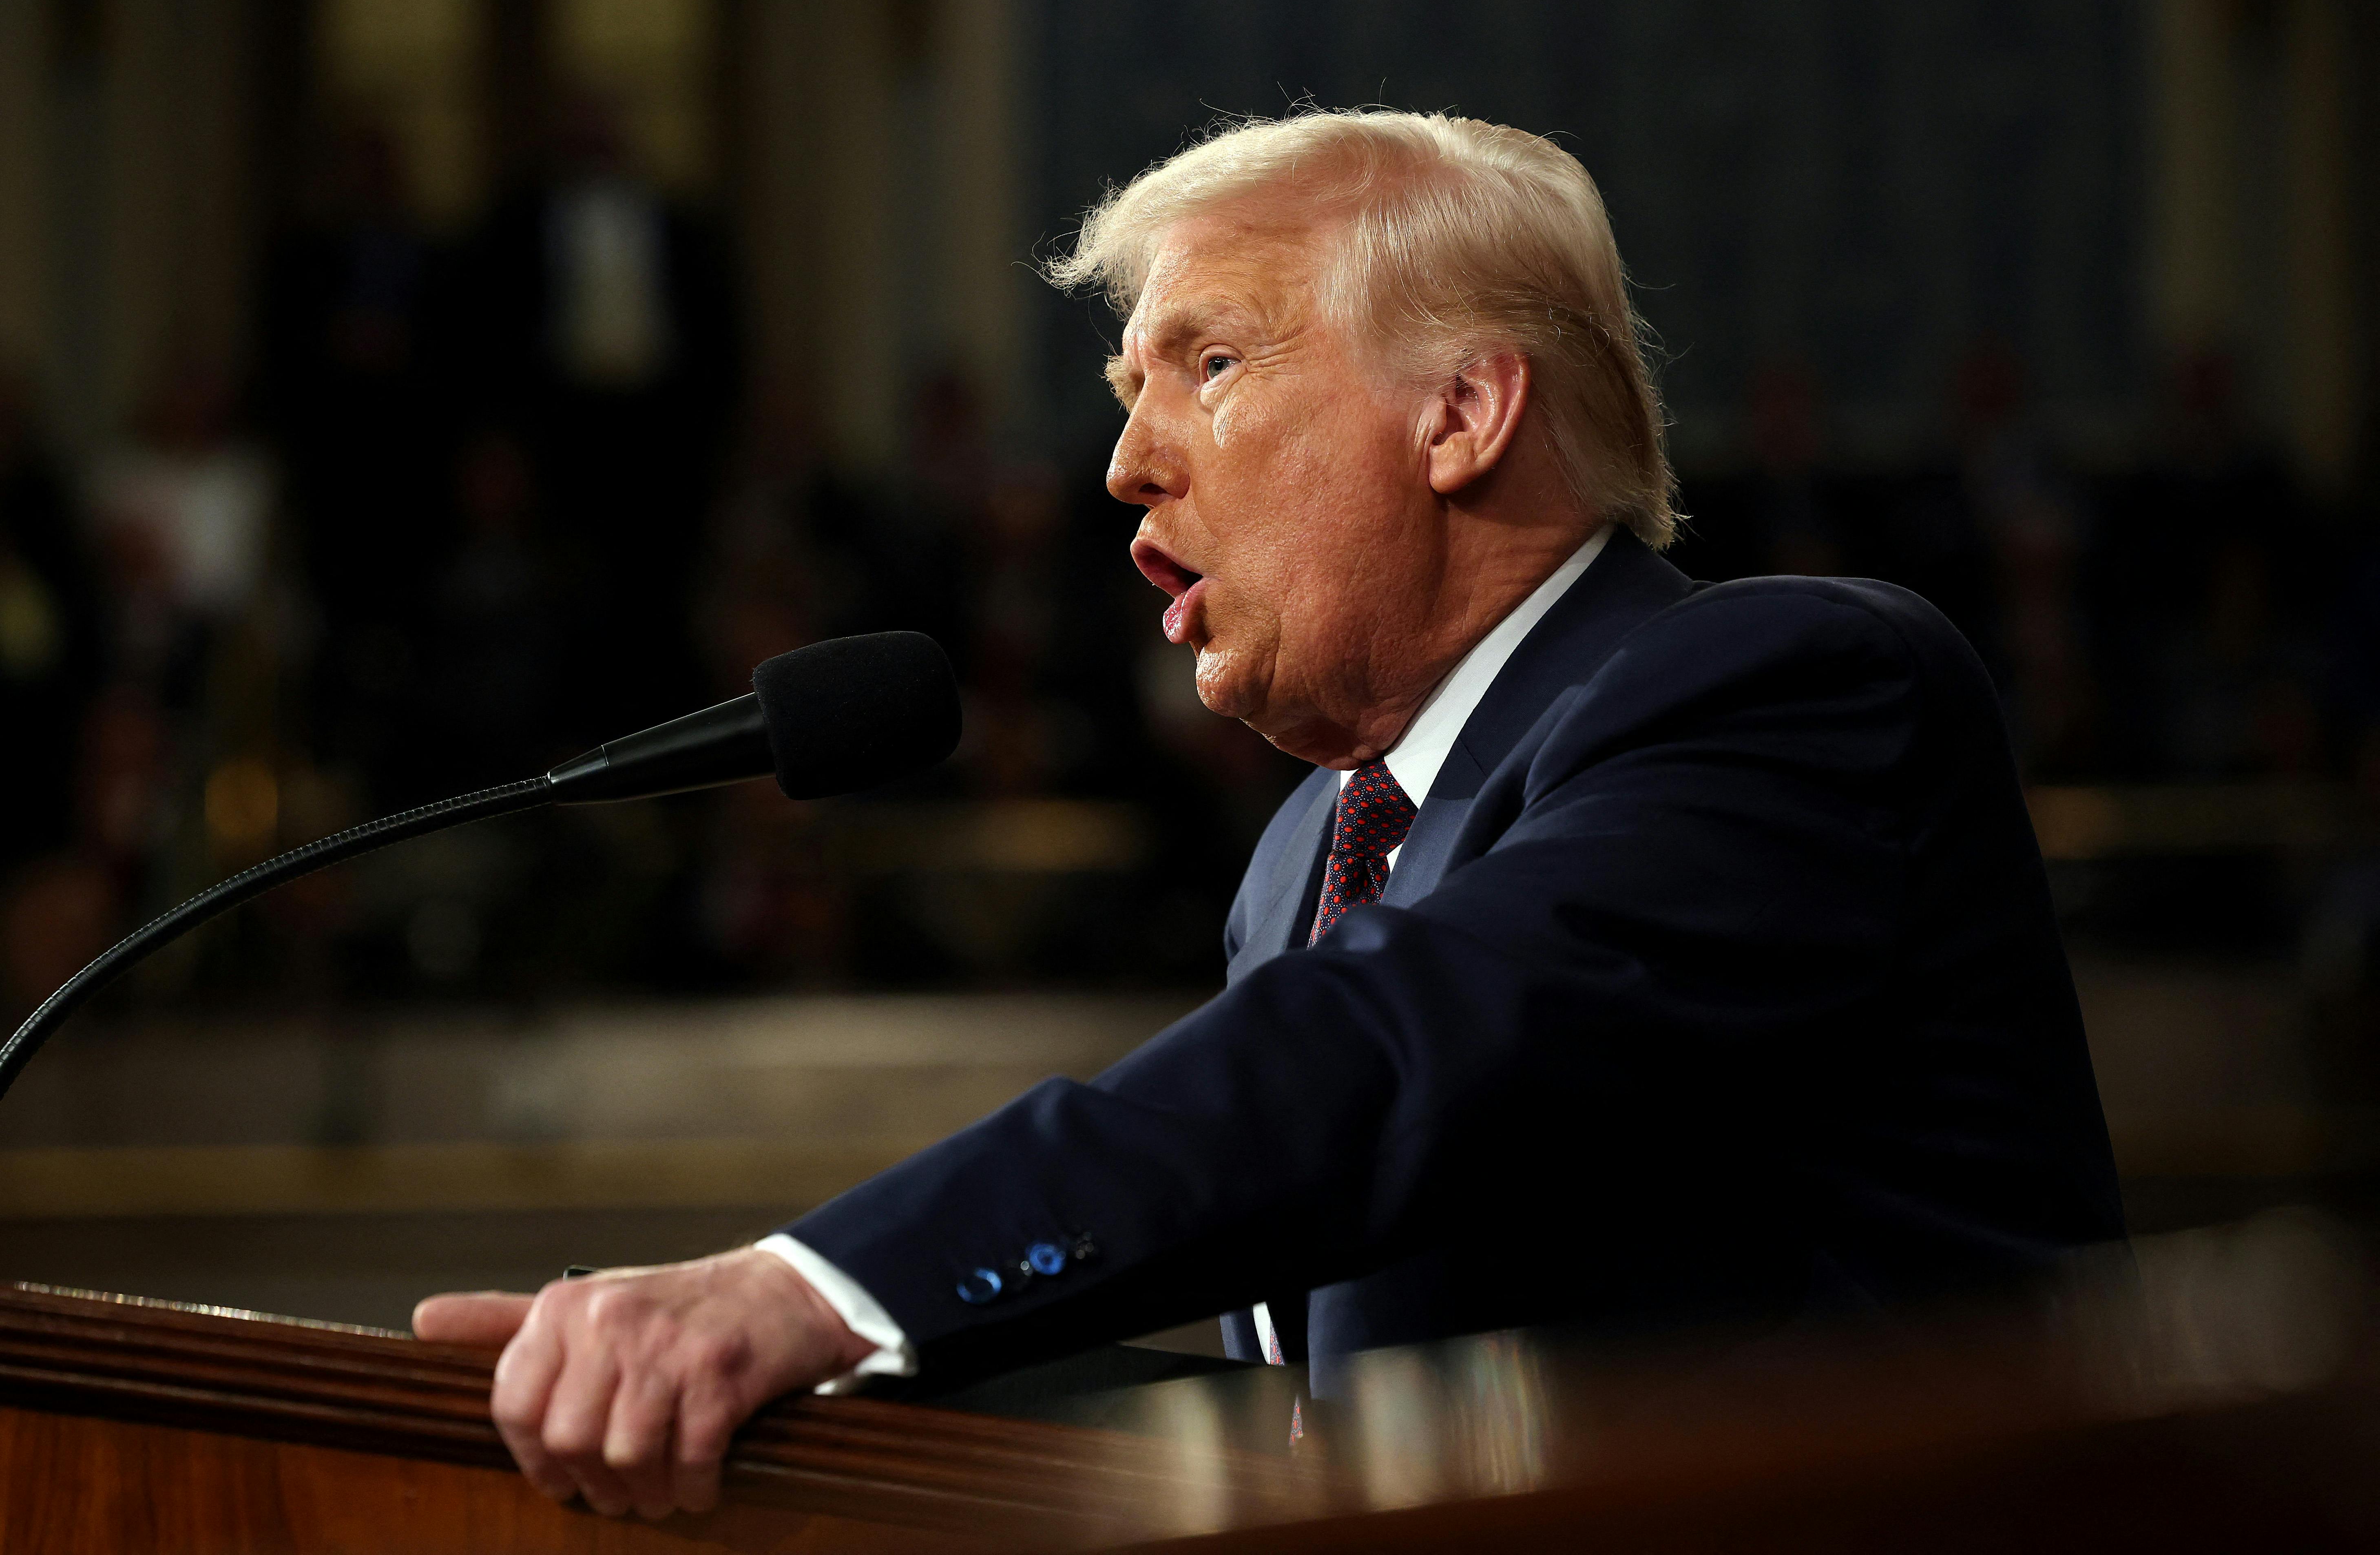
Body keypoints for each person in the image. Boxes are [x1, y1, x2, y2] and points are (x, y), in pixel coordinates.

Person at [416, 111, 2124, 1521]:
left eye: (1210, 363)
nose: (1126, 467)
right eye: (1121, 395)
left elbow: (1386, 1055)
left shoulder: (1793, 690)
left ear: (1461, 412)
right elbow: (1337, 1407)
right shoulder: (1303, 856)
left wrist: (803, 1290)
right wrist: (830, 1380)